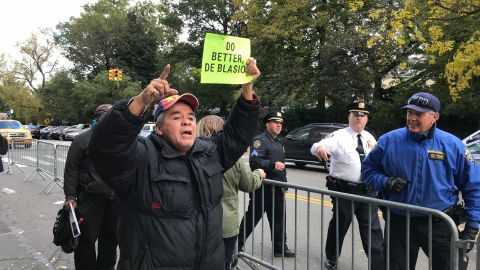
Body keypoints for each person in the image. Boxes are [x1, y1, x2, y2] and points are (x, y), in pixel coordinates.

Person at [89, 58, 260, 269]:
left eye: (190, 116)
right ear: (159, 128)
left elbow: (236, 135)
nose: (187, 121)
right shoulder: (142, 157)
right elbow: (107, 148)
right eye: (176, 117)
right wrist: (141, 101)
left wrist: (247, 88)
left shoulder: (208, 152)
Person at [362, 92, 480, 270]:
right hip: (399, 223)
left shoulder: (453, 145)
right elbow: (368, 170)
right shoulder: (389, 140)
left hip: (440, 223)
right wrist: (385, 182)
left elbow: (473, 186)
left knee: (451, 266)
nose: (412, 118)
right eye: (409, 113)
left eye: (419, 114)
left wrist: (472, 226)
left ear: (435, 117)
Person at [310, 101, 384, 270]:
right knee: (340, 225)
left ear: (367, 119)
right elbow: (315, 147)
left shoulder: (369, 138)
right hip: (345, 190)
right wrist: (320, 147)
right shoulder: (338, 136)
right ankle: (332, 258)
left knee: (372, 230)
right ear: (349, 116)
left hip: (367, 191)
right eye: (355, 114)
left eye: (363, 115)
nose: (359, 118)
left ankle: (378, 265)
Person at [196, 115, 266, 270]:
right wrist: (259, 174)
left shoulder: (192, 156)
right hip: (225, 224)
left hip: (198, 223)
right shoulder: (234, 158)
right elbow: (248, 184)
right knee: (224, 263)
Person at [63, 104, 118, 270]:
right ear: (98, 118)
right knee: (86, 240)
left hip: (115, 199)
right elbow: (71, 169)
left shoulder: (120, 139)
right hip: (89, 199)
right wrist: (70, 197)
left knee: (110, 240)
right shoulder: (83, 139)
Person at [238, 111, 296, 257]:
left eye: (280, 123)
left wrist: (284, 183)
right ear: (267, 124)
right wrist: (271, 164)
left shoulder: (277, 141)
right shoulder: (260, 140)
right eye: (275, 122)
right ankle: (236, 245)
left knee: (279, 219)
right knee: (252, 218)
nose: (278, 125)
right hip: (263, 188)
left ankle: (280, 247)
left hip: (277, 188)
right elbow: (254, 161)